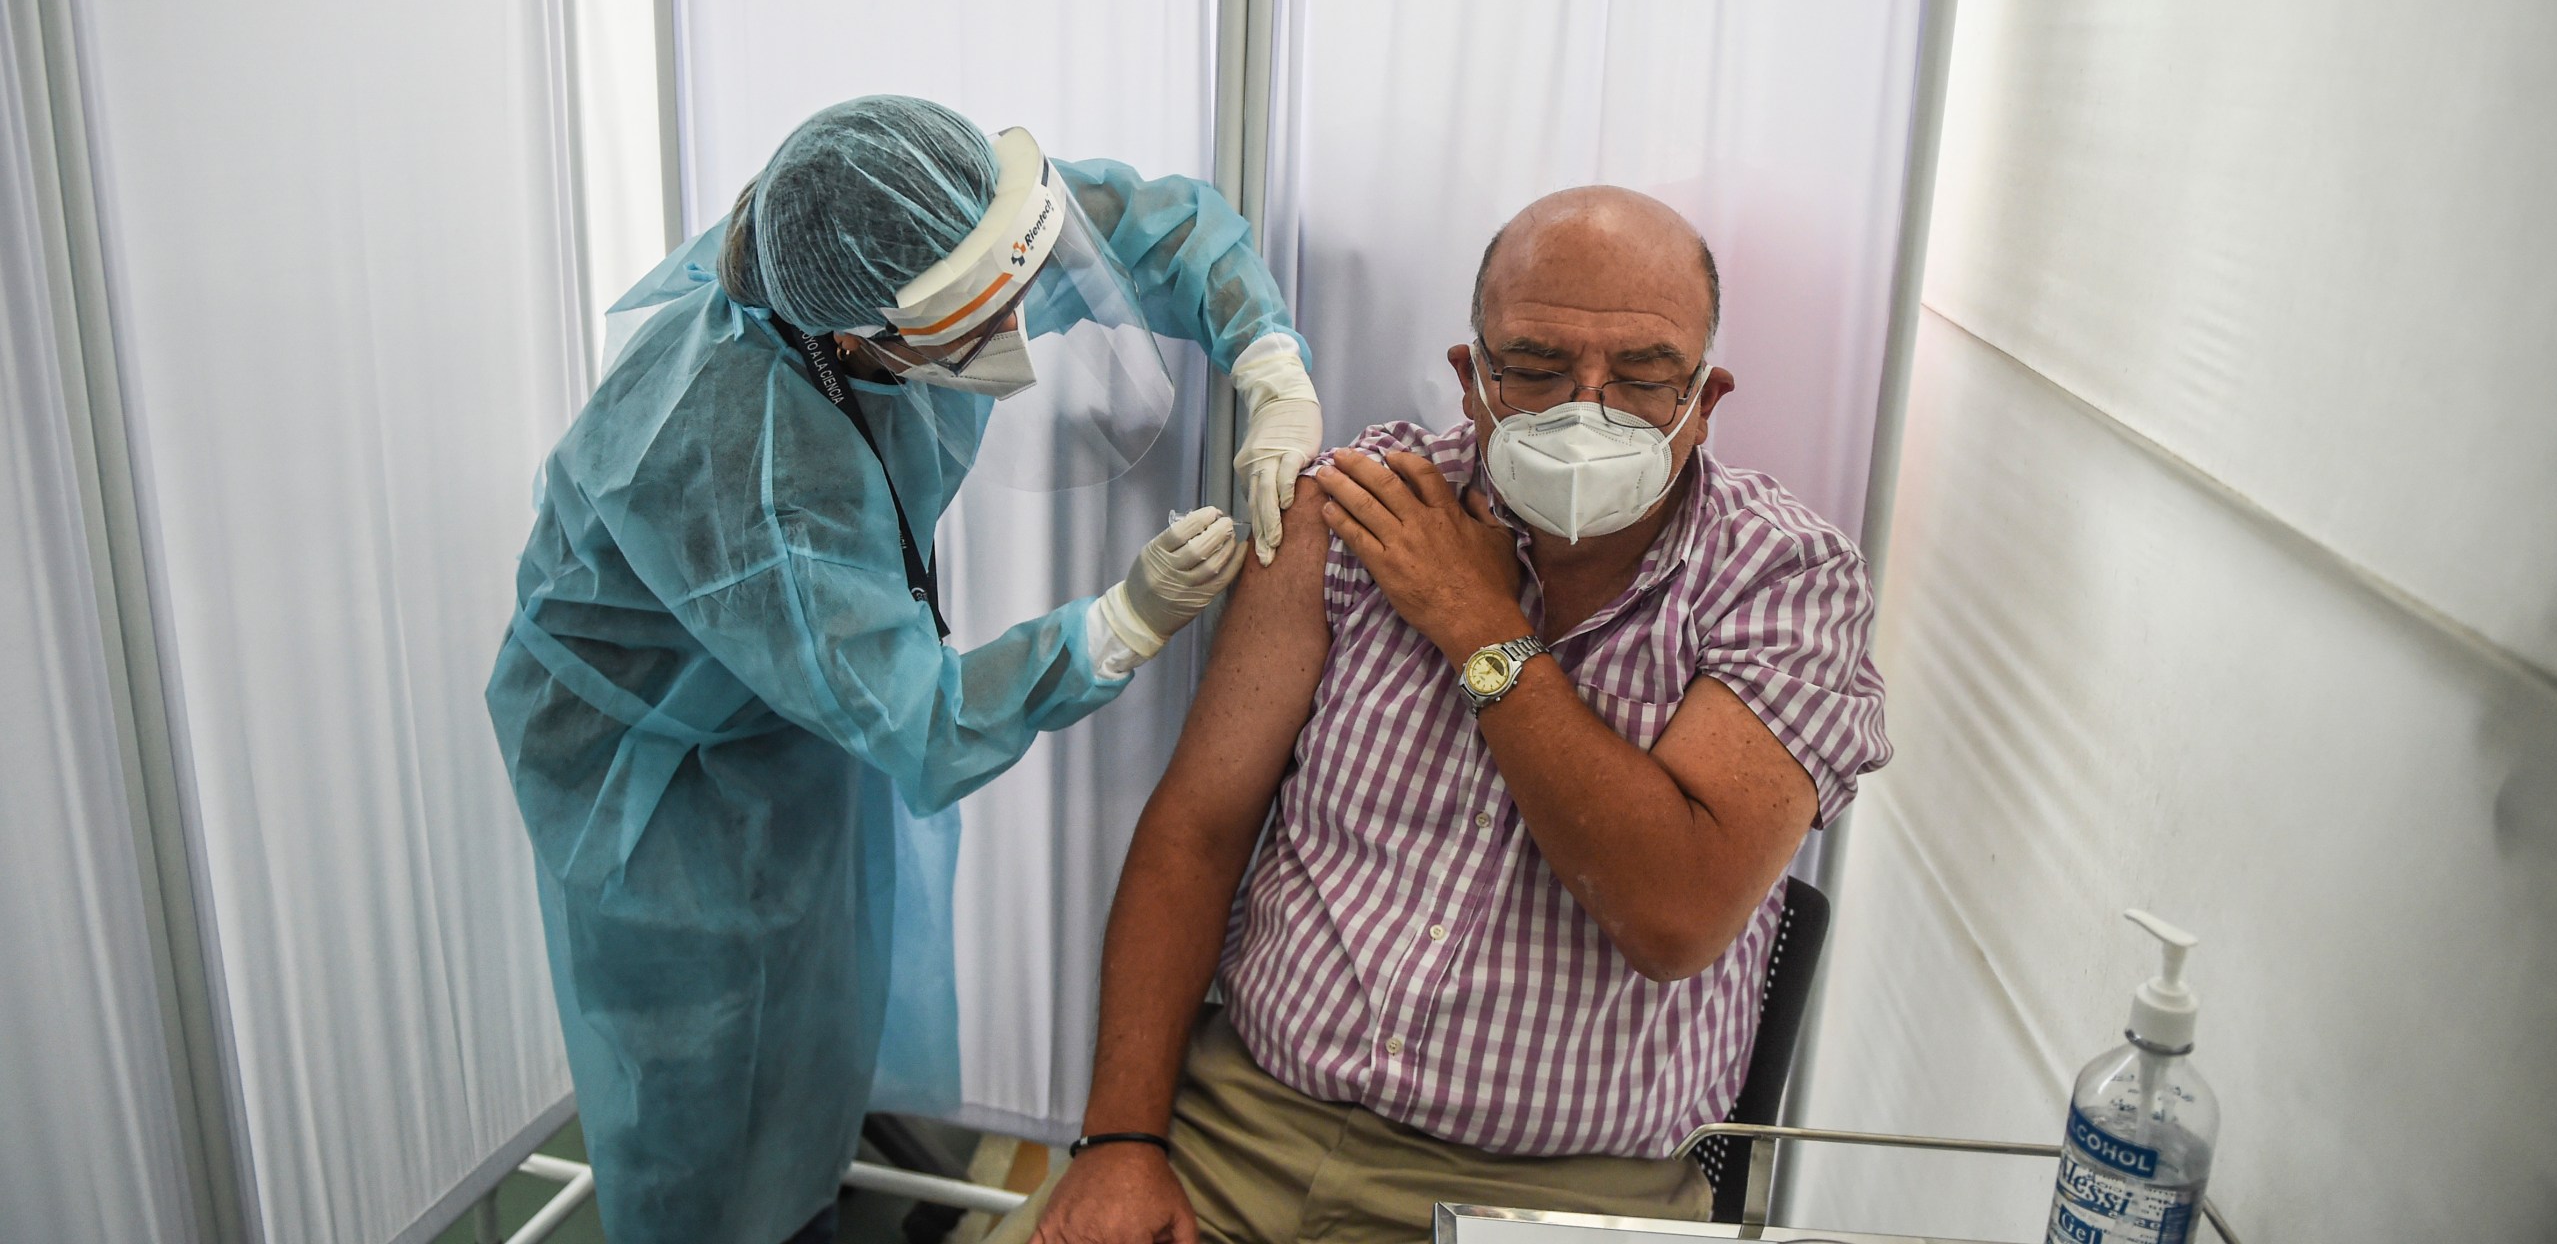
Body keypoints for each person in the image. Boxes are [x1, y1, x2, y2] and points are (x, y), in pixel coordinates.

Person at [486, 96, 1323, 1244]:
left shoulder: (931, 220)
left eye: (1017, 286)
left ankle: (806, 1195)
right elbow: (917, 724)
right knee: (703, 1054)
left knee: (816, 1016)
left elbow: (1153, 229)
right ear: (855, 338)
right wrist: (1119, 624)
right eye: (977, 324)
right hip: (655, 767)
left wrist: (1270, 361)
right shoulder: (737, 456)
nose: (1022, 332)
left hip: (793, 695)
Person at [1007, 186, 1890, 1244]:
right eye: (1536, 366)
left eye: (1644, 376)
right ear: (1472, 378)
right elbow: (1199, 830)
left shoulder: (1785, 579)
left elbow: (1675, 915)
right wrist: (1120, 1146)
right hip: (1243, 1130)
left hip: (1565, 1198)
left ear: (1704, 398)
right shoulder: (1356, 512)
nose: (1586, 408)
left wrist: (1478, 628)